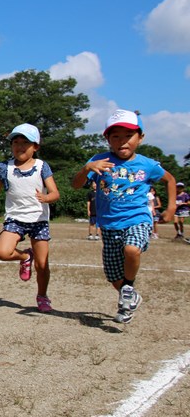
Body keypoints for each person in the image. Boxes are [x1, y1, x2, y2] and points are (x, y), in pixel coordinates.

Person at [72, 109, 176, 324]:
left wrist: (171, 207)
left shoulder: (147, 164)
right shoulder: (99, 160)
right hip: (109, 225)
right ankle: (129, 296)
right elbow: (75, 185)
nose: (122, 142)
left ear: (140, 137)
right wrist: (86, 168)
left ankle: (128, 287)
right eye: (116, 136)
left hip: (137, 219)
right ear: (107, 138)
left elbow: (170, 180)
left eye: (128, 136)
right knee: (112, 277)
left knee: (132, 248)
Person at [0, 123, 60, 313]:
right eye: (15, 142)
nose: (19, 146)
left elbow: (55, 192)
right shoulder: (5, 168)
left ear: (36, 147)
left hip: (39, 220)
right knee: (2, 252)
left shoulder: (42, 167)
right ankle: (25, 256)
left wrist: (46, 197)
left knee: (42, 264)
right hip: (15, 218)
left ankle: (42, 296)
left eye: (25, 142)